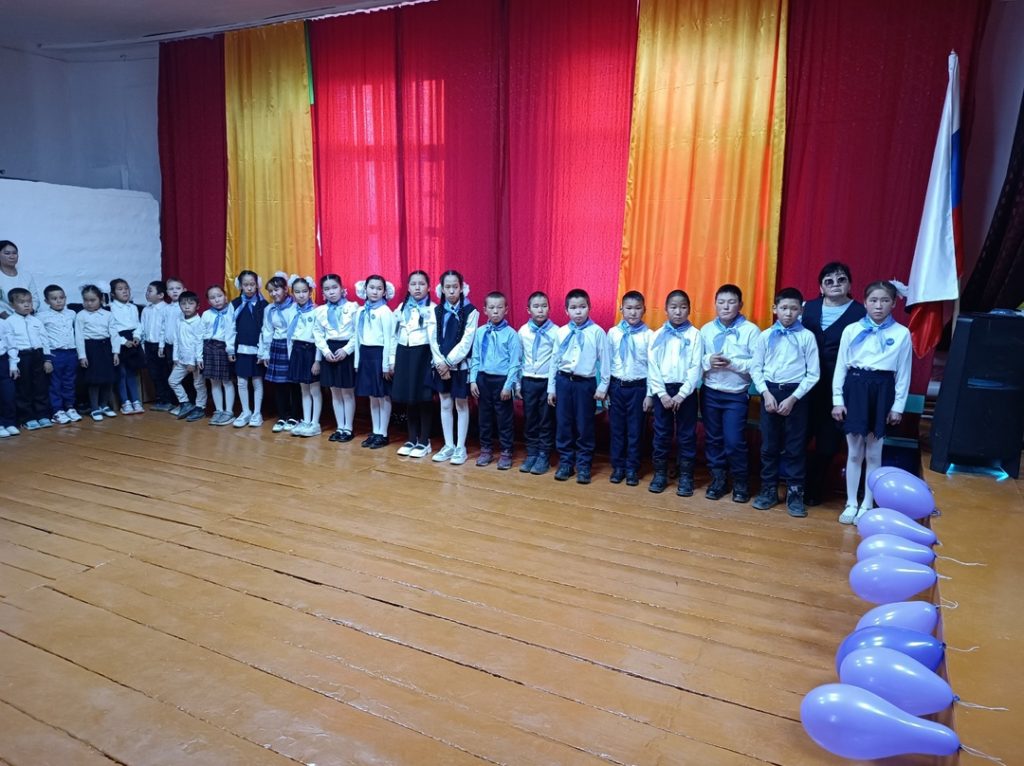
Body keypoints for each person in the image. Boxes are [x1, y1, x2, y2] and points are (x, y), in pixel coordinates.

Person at [832, 281, 912, 524]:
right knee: (854, 452)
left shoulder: (901, 333)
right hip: (855, 388)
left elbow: (903, 373)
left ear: (893, 303)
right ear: (865, 303)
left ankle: (867, 503)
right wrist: (837, 399)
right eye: (873, 300)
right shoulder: (851, 330)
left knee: (874, 452)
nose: (879, 306)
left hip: (882, 389)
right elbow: (841, 366)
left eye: (885, 301)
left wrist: (898, 407)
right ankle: (851, 502)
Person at [750, 288, 820, 517]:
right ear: (775, 309)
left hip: (796, 396)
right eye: (784, 308)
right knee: (769, 446)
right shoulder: (765, 336)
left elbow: (813, 374)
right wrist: (765, 393)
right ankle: (769, 490)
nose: (788, 313)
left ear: (801, 311)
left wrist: (793, 398)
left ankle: (795, 493)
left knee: (795, 447)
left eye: (793, 308)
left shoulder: (807, 337)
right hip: (770, 393)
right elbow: (756, 368)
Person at [801, 262, 867, 505]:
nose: (835, 284)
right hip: (805, 386)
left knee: (828, 444)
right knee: (798, 438)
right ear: (821, 287)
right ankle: (796, 485)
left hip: (839, 388)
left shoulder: (861, 313)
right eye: (829, 281)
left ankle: (815, 487)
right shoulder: (807, 308)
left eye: (841, 280)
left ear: (849, 284)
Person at [700, 284, 760, 502]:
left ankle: (741, 481)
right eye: (721, 302)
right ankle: (718, 479)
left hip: (736, 395)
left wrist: (732, 363)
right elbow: (696, 359)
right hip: (710, 392)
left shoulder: (751, 331)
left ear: (740, 305)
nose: (726, 307)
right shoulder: (706, 330)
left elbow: (756, 363)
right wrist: (708, 360)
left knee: (734, 441)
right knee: (713, 439)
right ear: (715, 304)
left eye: (731, 302)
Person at [547, 288, 610, 484]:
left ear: (589, 308)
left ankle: (584, 465)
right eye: (573, 308)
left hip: (585, 384)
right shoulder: (561, 332)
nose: (578, 311)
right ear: (566, 311)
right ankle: (566, 462)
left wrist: (603, 386)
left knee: (585, 425)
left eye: (582, 307)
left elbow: (605, 361)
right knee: (564, 424)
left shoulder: (597, 332)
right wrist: (551, 388)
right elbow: (554, 361)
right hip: (564, 382)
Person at [647, 290, 703, 496]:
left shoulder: (695, 335)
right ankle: (660, 473)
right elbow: (652, 367)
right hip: (662, 391)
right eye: (673, 307)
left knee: (686, 434)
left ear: (689, 309)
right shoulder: (657, 335)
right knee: (662, 433)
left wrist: (683, 393)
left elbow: (696, 367)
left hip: (685, 392)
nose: (678, 312)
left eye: (683, 307)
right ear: (665, 309)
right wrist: (661, 394)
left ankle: (686, 476)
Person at [469, 291, 522, 470]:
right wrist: (473, 380)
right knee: (484, 417)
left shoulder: (511, 334)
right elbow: (475, 357)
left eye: (499, 307)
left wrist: (508, 386)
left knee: (504, 418)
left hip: (502, 381)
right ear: (485, 310)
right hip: (483, 379)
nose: (495, 311)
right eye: (491, 308)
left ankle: (506, 451)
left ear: (506, 310)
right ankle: (486, 449)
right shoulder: (480, 332)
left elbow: (515, 363)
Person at [430, 271, 477, 466]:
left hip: (460, 367)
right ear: (441, 289)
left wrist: (449, 362)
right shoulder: (435, 311)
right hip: (440, 366)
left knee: (461, 404)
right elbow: (432, 339)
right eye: (447, 287)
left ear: (461, 288)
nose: (451, 291)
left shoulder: (471, 311)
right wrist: (440, 363)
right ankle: (448, 444)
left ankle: (460, 446)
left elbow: (467, 341)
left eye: (455, 287)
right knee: (445, 403)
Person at [606, 290, 653, 486]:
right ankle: (618, 467)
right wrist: (606, 389)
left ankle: (632, 467)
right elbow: (607, 363)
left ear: (644, 310)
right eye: (629, 308)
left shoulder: (649, 335)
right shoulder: (613, 333)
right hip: (617, 386)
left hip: (638, 388)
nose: (633, 312)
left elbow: (652, 367)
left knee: (635, 430)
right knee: (617, 429)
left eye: (637, 308)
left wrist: (649, 394)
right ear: (621, 309)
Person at [390, 270, 436, 457]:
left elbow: (434, 338)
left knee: (423, 397)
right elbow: (394, 335)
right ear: (408, 287)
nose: (417, 288)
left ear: (429, 287)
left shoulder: (433, 309)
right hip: (404, 353)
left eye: (422, 284)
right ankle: (411, 438)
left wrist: (434, 361)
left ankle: (424, 440)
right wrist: (392, 360)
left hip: (423, 354)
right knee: (409, 397)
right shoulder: (401, 307)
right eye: (413, 284)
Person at [313, 273, 358, 443]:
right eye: (327, 289)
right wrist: (325, 351)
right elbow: (318, 333)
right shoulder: (320, 311)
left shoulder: (353, 308)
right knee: (334, 391)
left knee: (347, 391)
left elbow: (357, 333)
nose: (331, 292)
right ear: (323, 292)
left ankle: (348, 428)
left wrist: (347, 350)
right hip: (329, 350)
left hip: (345, 350)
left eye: (334, 287)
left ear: (341, 288)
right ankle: (340, 426)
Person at [517, 291, 558, 475]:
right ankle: (532, 453)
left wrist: (553, 387)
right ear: (528, 310)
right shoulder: (523, 331)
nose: (540, 310)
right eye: (536, 306)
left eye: (544, 306)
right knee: (530, 419)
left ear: (549, 308)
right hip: (528, 381)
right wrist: (518, 384)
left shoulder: (557, 332)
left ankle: (544, 455)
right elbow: (518, 359)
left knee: (546, 420)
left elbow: (557, 362)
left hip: (546, 382)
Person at [353, 275, 395, 448]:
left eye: (379, 288)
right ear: (365, 289)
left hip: (379, 355)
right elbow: (357, 337)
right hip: (366, 354)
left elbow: (389, 339)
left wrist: (386, 364)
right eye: (372, 287)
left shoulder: (385, 312)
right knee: (372, 395)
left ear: (384, 291)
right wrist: (357, 362)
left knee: (382, 395)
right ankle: (375, 430)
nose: (375, 291)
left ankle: (383, 433)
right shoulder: (360, 311)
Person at [258, 273, 301, 433]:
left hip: (293, 347)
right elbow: (267, 331)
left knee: (294, 383)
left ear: (285, 289)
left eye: (277, 289)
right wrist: (265, 353)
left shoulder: (295, 307)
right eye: (270, 291)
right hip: (277, 346)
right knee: (279, 385)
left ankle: (295, 416)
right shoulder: (269, 309)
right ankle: (282, 415)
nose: (274, 293)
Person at [6, 288, 52, 428]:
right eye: (21, 302)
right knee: (24, 388)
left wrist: (47, 359)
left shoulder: (36, 321)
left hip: (37, 355)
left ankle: (42, 414)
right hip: (22, 356)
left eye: (29, 301)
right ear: (12, 304)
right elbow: (10, 344)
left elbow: (45, 340)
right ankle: (27, 417)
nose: (26, 305)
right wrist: (13, 364)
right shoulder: (9, 322)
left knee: (40, 386)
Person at [74, 284, 120, 422]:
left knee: (108, 378)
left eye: (92, 300)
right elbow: (79, 337)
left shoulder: (108, 315)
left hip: (106, 348)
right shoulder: (81, 315)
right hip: (91, 348)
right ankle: (94, 407)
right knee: (94, 380)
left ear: (101, 299)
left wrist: (116, 352)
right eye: (85, 300)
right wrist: (82, 356)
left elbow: (114, 334)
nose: (89, 303)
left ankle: (104, 405)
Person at [38, 284, 82, 423]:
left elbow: (77, 333)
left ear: (65, 298)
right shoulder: (42, 317)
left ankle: (69, 407)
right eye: (54, 298)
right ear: (46, 301)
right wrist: (47, 358)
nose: (59, 301)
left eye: (61, 297)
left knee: (70, 381)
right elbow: (42, 339)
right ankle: (57, 410)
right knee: (55, 383)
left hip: (71, 352)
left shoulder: (72, 314)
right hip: (55, 354)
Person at [285, 276, 322, 438]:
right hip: (297, 351)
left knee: (314, 389)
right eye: (297, 292)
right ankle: (306, 420)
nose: (301, 295)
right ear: (292, 293)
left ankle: (315, 422)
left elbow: (320, 338)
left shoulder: (316, 311)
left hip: (311, 351)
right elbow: (289, 337)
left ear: (310, 291)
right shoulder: (292, 310)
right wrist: (290, 357)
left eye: (304, 291)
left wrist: (317, 360)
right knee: (303, 389)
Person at [230, 271, 267, 427]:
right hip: (241, 349)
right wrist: (230, 349)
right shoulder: (235, 304)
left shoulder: (263, 305)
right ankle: (245, 411)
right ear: (240, 286)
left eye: (252, 284)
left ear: (257, 285)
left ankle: (257, 412)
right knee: (241, 381)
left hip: (257, 350)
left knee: (257, 381)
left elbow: (266, 330)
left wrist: (263, 351)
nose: (249, 288)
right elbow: (230, 328)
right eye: (246, 285)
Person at [200, 285, 238, 426]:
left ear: (225, 297)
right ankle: (219, 410)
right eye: (212, 298)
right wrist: (199, 355)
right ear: (208, 301)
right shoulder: (206, 314)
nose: (217, 300)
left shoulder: (231, 312)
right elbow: (201, 334)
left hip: (224, 348)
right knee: (214, 381)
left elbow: (232, 332)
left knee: (227, 381)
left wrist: (231, 350)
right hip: (209, 348)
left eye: (219, 296)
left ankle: (229, 411)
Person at [169, 290, 207, 422]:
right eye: (183, 304)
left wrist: (193, 361)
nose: (186, 307)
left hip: (195, 360)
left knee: (198, 384)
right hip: (181, 360)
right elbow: (176, 339)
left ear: (197, 306)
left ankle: (200, 407)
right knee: (173, 381)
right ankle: (185, 403)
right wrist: (175, 357)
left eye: (190, 304)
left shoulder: (198, 322)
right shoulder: (179, 320)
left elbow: (198, 343)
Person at [108, 278, 145, 415]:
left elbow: (137, 324)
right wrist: (123, 341)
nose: (124, 291)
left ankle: (136, 400)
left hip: (133, 338)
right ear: (113, 294)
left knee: (132, 372)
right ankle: (125, 402)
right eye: (120, 289)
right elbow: (112, 329)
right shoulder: (110, 308)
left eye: (126, 288)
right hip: (119, 340)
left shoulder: (133, 307)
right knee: (121, 373)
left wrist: (137, 336)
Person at [140, 280, 175, 412]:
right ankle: (161, 399)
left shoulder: (166, 309)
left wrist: (161, 346)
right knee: (154, 373)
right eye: (147, 290)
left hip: (161, 346)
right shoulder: (146, 310)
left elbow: (165, 329)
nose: (147, 293)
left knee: (164, 373)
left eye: (150, 291)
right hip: (149, 345)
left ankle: (169, 400)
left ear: (160, 295)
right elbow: (142, 326)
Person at [163, 278, 187, 415]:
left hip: (182, 347)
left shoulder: (185, 307)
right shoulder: (166, 308)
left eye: (178, 288)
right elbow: (163, 328)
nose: (175, 291)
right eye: (171, 289)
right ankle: (178, 402)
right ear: (167, 292)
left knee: (184, 376)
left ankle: (188, 402)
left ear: (184, 290)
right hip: (169, 346)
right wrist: (161, 346)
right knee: (171, 374)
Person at [0, 240, 41, 320]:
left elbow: (35, 299)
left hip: (29, 318)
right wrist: (10, 319)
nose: (12, 256)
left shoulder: (26, 276)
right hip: (4, 320)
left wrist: (28, 314)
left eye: (14, 253)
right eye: (7, 253)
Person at [0, 317, 18, 437]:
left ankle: (9, 422)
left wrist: (13, 364)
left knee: (8, 393)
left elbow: (11, 345)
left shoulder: (3, 323)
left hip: (3, 361)